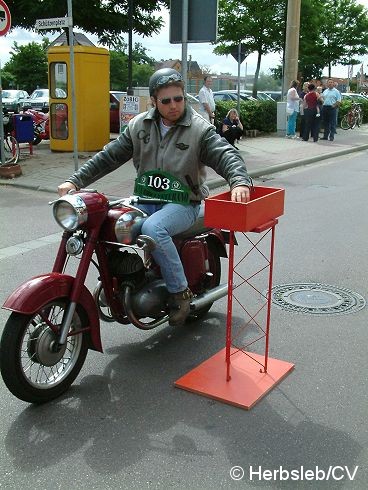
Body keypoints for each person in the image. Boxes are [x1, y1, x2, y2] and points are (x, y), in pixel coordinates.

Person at [57, 68, 252, 327]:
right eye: (166, 101)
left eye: (179, 99)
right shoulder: (139, 125)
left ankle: (180, 292)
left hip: (184, 202)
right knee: (105, 220)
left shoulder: (198, 129)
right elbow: (110, 155)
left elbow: (226, 154)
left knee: (153, 228)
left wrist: (239, 181)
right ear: (153, 101)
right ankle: (120, 279)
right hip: (145, 199)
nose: (174, 105)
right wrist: (75, 180)